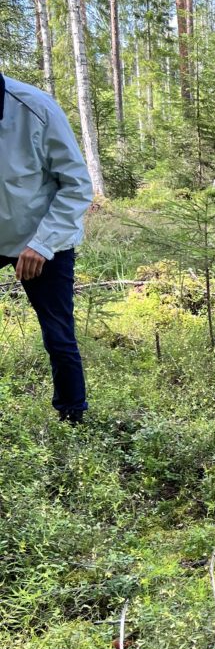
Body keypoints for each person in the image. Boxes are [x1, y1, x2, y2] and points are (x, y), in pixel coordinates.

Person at [0, 72, 94, 423]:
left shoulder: (34, 107)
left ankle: (72, 414)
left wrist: (42, 244)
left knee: (58, 333)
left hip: (42, 236)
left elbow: (77, 185)